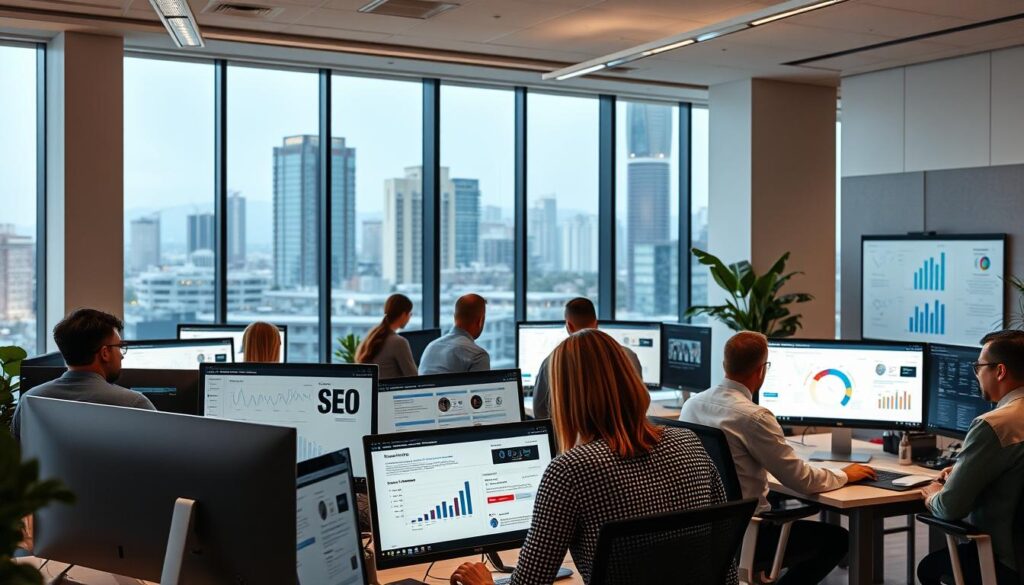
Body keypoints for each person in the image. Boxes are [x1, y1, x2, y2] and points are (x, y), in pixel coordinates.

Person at [449, 329, 732, 585]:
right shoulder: (690, 443)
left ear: (565, 396)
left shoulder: (571, 470)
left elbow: (529, 583)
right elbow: (726, 556)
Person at [679, 331, 876, 584]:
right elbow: (802, 480)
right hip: (749, 534)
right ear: (762, 370)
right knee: (836, 540)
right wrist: (844, 474)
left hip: (707, 532)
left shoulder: (692, 405)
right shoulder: (754, 417)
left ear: (724, 364)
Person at [917, 330, 1024, 585]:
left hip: (1003, 563)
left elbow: (950, 507)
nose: (976, 374)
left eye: (979, 366)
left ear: (999, 371)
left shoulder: (993, 425)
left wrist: (933, 494)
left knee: (929, 569)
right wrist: (965, 468)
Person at [11, 308, 155, 443]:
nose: (122, 356)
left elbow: (16, 459)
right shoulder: (134, 404)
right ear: (105, 353)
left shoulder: (29, 401)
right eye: (119, 347)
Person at [531, 297, 642, 419]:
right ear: (596, 323)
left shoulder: (553, 362)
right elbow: (639, 402)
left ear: (569, 325)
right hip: (627, 435)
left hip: (576, 437)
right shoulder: (628, 356)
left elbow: (540, 414)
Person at [419, 294, 490, 375]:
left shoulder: (431, 347)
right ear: (480, 321)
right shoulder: (477, 356)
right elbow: (482, 388)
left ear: (454, 317)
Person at [354, 294, 417, 379]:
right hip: (392, 391)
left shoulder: (371, 336)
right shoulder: (399, 342)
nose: (409, 317)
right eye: (410, 314)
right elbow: (413, 378)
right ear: (403, 314)